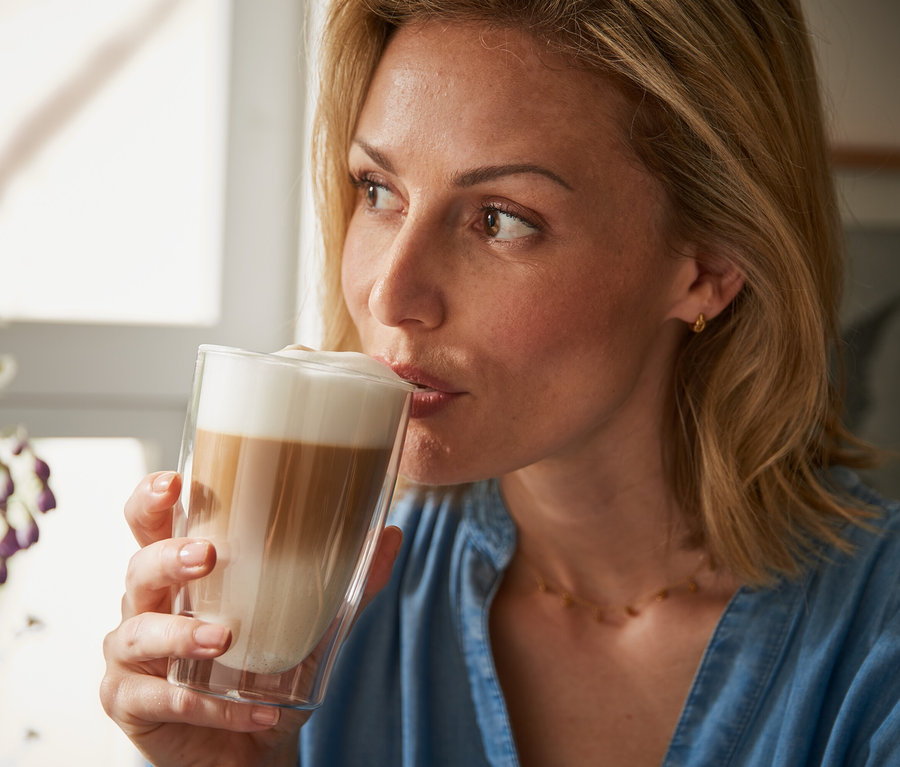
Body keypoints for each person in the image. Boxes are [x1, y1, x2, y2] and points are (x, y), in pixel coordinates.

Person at [101, 0, 900, 764]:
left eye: (500, 219)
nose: (390, 293)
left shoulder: (875, 644)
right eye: (378, 191)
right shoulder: (316, 622)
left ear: (711, 265)